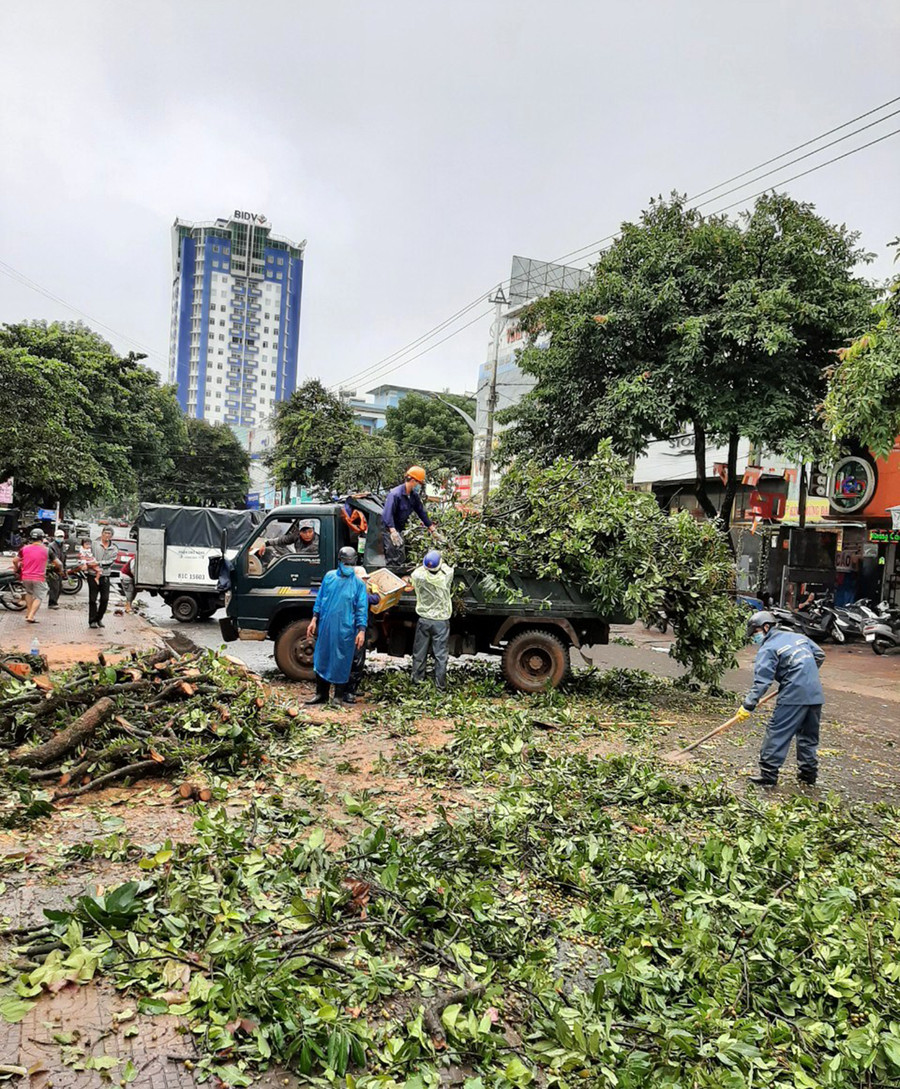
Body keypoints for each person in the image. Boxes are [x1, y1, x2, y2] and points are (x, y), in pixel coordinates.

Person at [735, 610, 825, 788]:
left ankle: (768, 774)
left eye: (756, 632)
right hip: (815, 693)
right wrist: (803, 674)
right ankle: (808, 775)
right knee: (808, 735)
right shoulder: (798, 637)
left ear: (766, 627)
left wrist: (748, 705)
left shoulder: (768, 648)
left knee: (778, 731)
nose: (755, 637)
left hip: (793, 696)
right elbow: (820, 655)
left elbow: (762, 681)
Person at [306, 546, 369, 705]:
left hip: (346, 629)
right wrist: (314, 619)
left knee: (342, 660)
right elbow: (320, 599)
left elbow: (361, 609)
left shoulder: (358, 584)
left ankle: (338, 696)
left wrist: (361, 630)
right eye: (346, 563)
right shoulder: (329, 577)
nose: (348, 567)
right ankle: (321, 694)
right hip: (326, 626)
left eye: (351, 564)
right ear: (339, 561)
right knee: (322, 657)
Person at [410, 549, 454, 692]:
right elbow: (447, 567)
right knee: (440, 655)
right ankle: (440, 687)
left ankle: (417, 683)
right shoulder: (446, 576)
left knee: (419, 653)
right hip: (441, 621)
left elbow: (419, 569)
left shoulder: (418, 577)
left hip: (424, 620)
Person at [382, 466, 438, 569]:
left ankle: (399, 574)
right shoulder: (395, 494)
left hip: (399, 529)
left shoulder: (413, 496)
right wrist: (393, 531)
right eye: (419, 483)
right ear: (412, 480)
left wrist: (432, 529)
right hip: (389, 530)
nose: (419, 486)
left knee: (400, 556)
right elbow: (387, 514)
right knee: (392, 556)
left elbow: (421, 512)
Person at [345, 566, 381, 702]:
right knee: (356, 660)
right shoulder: (358, 593)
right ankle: (348, 692)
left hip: (358, 629)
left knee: (357, 659)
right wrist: (376, 591)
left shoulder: (352, 589)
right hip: (356, 630)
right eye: (364, 579)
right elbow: (375, 599)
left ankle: (352, 689)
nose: (366, 581)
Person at [13, 528, 59, 624]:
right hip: (39, 577)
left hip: (26, 577)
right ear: (42, 538)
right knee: (39, 596)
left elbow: (15, 560)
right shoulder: (47, 550)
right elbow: (58, 563)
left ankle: (28, 613)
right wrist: (60, 570)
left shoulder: (24, 548)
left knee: (29, 593)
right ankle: (31, 616)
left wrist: (17, 569)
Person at [88, 527, 119, 629]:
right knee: (93, 599)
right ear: (102, 533)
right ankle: (92, 620)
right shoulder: (94, 544)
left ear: (111, 536)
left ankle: (99, 618)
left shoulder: (114, 548)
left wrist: (98, 563)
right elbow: (88, 555)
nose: (107, 535)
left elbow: (111, 561)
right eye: (105, 533)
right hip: (93, 574)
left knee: (105, 599)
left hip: (105, 575)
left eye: (109, 534)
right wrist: (90, 563)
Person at [46, 531, 67, 610]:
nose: (60, 538)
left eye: (61, 536)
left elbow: (64, 559)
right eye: (58, 536)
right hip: (53, 569)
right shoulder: (51, 546)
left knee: (59, 587)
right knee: (54, 587)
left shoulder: (63, 547)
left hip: (60, 569)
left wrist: (64, 570)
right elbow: (49, 559)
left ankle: (55, 602)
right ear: (55, 537)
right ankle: (52, 603)